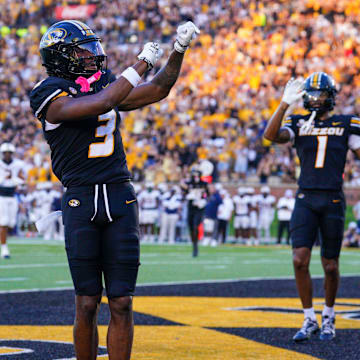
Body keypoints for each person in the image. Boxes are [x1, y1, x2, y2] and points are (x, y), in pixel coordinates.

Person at [30, 19, 199, 360]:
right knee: (87, 302)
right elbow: (100, 103)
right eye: (81, 49)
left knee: (122, 301)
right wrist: (139, 65)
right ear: (60, 56)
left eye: (92, 47)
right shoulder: (48, 91)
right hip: (81, 199)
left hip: (120, 196)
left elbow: (157, 90)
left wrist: (178, 52)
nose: (92, 55)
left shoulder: (107, 82)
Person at [264, 72, 360, 342]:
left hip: (332, 199)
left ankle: (328, 316)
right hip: (306, 197)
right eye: (312, 95)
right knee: (299, 259)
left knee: (330, 265)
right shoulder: (298, 121)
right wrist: (284, 104)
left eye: (321, 94)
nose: (316, 99)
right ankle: (309, 318)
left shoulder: (346, 123)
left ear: (331, 96)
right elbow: (270, 135)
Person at [0, 143, 24, 258]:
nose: (7, 155)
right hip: (2, 196)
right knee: (3, 223)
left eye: (9, 153)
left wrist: (14, 179)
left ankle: (3, 242)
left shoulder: (17, 164)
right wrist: (4, 178)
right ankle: (4, 249)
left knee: (11, 224)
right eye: (5, 153)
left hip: (13, 196)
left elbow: (22, 181)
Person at [182, 167, 208, 257]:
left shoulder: (204, 184)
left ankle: (195, 247)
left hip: (199, 208)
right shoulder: (189, 184)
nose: (196, 177)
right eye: (194, 175)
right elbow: (184, 195)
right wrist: (187, 195)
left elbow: (206, 195)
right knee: (191, 227)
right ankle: (194, 244)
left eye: (197, 175)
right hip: (191, 208)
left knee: (195, 225)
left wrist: (202, 201)